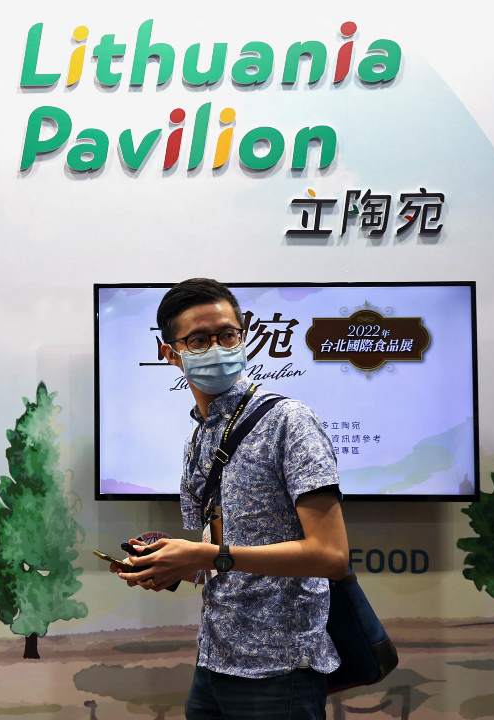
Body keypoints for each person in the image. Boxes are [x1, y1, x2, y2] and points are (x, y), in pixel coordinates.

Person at [110, 279, 349, 720]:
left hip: (281, 671)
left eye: (227, 334)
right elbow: (223, 556)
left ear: (245, 336)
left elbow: (331, 555)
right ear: (171, 354)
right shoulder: (199, 437)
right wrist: (173, 564)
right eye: (199, 340)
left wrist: (208, 555)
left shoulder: (289, 422)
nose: (217, 347)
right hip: (214, 661)